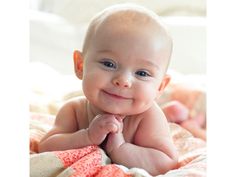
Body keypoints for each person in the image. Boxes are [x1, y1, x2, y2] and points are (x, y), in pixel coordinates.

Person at [38, 3, 178, 176]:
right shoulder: (74, 110)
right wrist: (87, 137)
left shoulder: (148, 118)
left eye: (142, 73)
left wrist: (120, 148)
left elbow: (167, 163)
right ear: (80, 65)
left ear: (160, 87)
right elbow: (46, 146)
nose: (123, 81)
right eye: (109, 64)